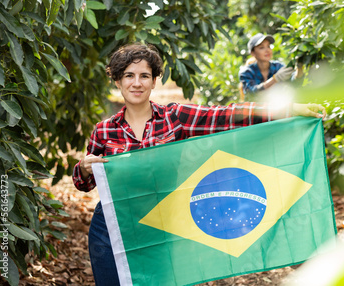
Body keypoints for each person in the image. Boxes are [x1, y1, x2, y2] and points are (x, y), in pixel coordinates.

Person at [72, 43, 325, 285]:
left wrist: (289, 109)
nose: (136, 83)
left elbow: (228, 116)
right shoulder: (104, 130)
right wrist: (83, 168)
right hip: (111, 228)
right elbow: (84, 184)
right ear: (118, 81)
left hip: (161, 226)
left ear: (154, 81)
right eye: (129, 75)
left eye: (144, 76)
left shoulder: (174, 118)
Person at [239, 33, 303, 100]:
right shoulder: (247, 72)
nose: (267, 50)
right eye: (261, 47)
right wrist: (275, 79)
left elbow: (295, 84)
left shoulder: (278, 66)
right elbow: (251, 92)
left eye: (268, 46)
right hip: (254, 109)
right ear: (253, 53)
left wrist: (299, 68)